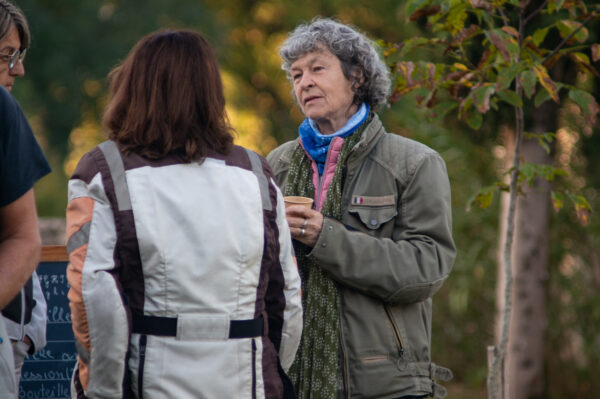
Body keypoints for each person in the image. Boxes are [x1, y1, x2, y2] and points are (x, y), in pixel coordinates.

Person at [66, 29, 302, 399]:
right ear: (212, 93)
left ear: (132, 87)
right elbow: (286, 296)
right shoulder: (256, 173)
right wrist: (271, 370)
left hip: (151, 382)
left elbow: (96, 300)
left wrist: (102, 391)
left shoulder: (104, 171)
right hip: (248, 382)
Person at [266, 18, 456, 399]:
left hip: (386, 384)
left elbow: (426, 268)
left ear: (357, 77)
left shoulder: (413, 163)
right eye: (296, 74)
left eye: (318, 68)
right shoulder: (276, 164)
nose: (304, 82)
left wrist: (325, 237)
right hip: (289, 379)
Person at [0, 1, 50, 395]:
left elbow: (24, 238)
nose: (18, 69)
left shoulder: (4, 112)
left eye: (17, 56)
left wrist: (29, 328)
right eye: (7, 56)